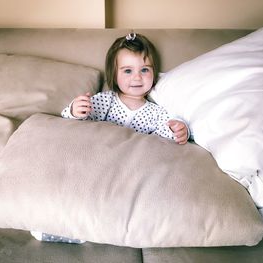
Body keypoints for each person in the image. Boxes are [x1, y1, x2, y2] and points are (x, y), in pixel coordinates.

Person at [31, 32, 190, 243]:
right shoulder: (107, 101)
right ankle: (59, 225)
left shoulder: (156, 111)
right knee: (79, 191)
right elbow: (73, 122)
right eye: (127, 71)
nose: (137, 77)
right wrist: (75, 109)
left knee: (123, 200)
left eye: (144, 70)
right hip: (98, 162)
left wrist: (179, 130)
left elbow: (167, 131)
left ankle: (106, 228)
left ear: (154, 74)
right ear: (114, 75)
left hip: (128, 169)